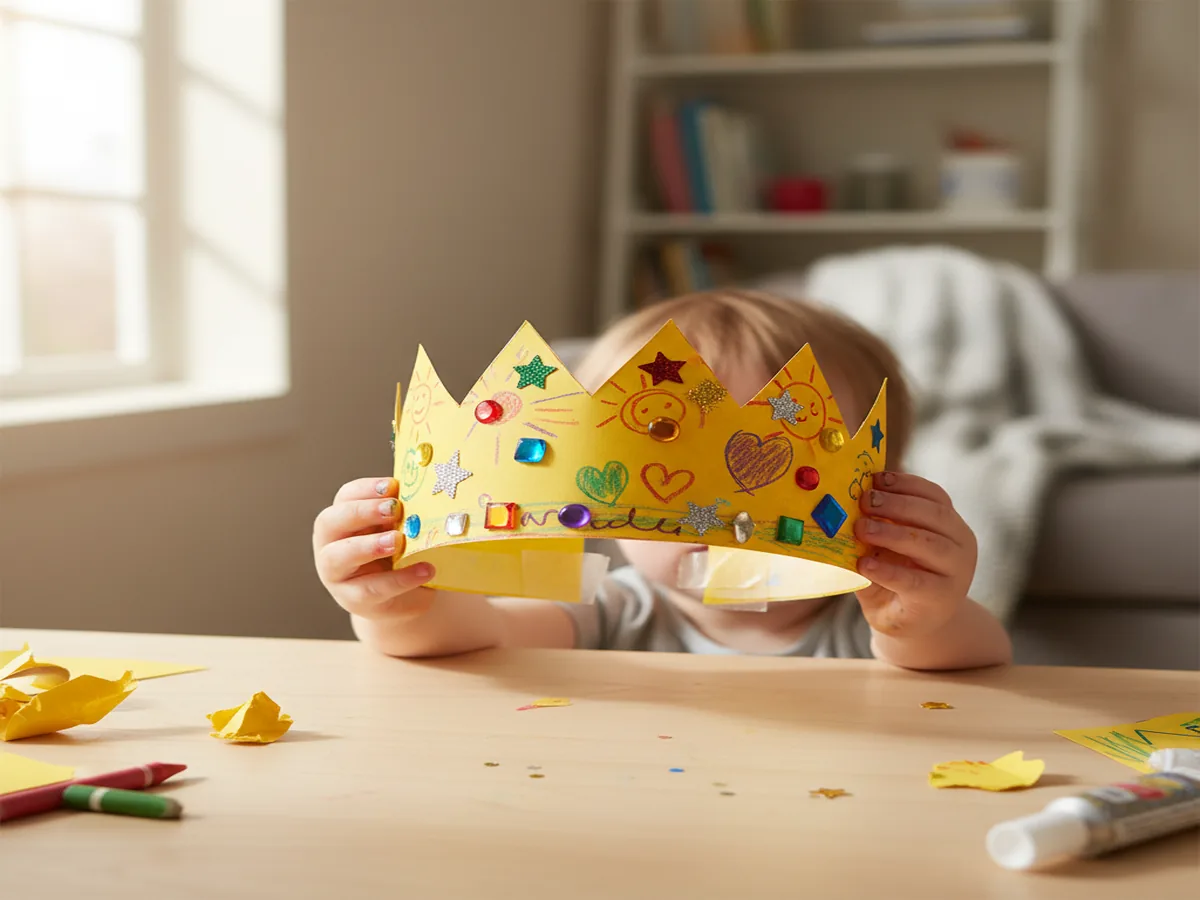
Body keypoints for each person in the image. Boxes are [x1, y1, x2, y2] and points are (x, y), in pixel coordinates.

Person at [313, 290, 1012, 670]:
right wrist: (398, 608)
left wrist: (926, 620)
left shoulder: (863, 622)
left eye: (763, 477)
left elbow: (977, 661)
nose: (721, 518)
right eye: (669, 463)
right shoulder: (616, 607)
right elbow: (475, 635)